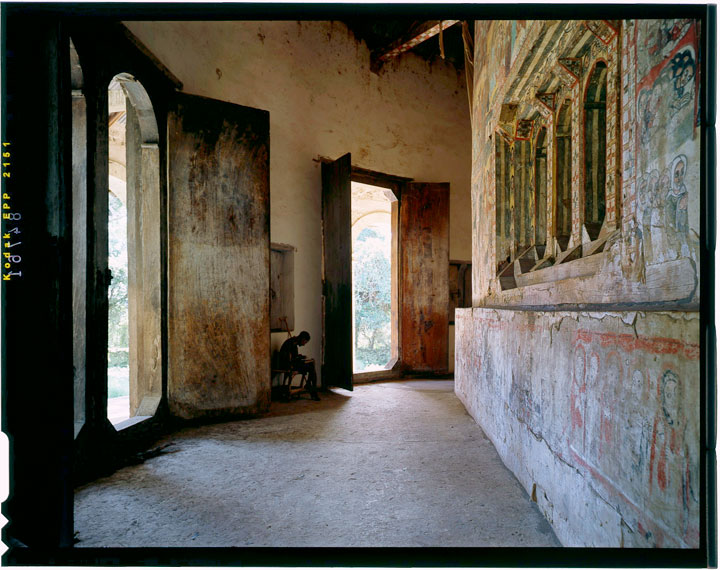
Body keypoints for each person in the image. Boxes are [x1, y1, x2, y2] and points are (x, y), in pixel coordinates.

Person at [279, 331, 320, 401]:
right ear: (302, 339)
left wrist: (300, 357)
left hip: (291, 363)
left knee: (311, 365)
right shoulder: (291, 343)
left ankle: (310, 386)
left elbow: (294, 357)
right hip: (287, 365)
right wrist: (298, 360)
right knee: (311, 366)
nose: (304, 344)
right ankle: (311, 388)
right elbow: (289, 359)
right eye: (305, 342)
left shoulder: (293, 343)